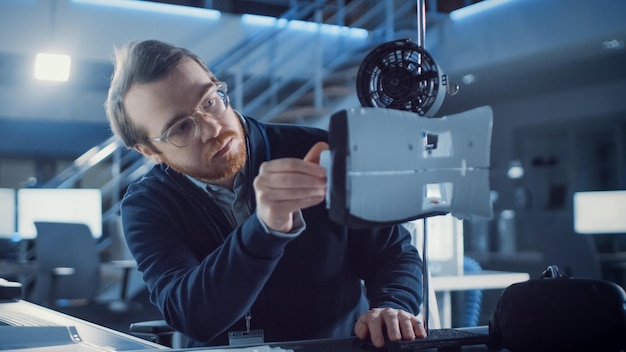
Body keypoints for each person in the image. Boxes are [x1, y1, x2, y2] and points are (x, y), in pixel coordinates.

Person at [104, 39, 426, 348]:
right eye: (182, 128)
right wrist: (265, 228)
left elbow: (393, 253)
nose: (213, 129)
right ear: (148, 151)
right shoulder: (147, 205)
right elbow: (192, 315)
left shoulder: (317, 150)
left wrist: (392, 305)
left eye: (210, 101)